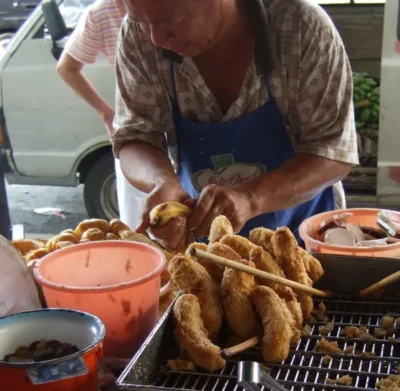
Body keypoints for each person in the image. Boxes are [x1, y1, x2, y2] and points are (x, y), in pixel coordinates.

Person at [112, 0, 358, 251]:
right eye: (142, 22)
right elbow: (135, 135)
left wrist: (251, 197)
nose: (155, 38)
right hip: (208, 249)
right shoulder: (138, 35)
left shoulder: (300, 28)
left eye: (169, 21)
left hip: (306, 241)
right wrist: (160, 181)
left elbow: (333, 152)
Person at [57, 0, 146, 228]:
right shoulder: (100, 14)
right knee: (138, 225)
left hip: (183, 126)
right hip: (134, 130)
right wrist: (106, 113)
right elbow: (67, 68)